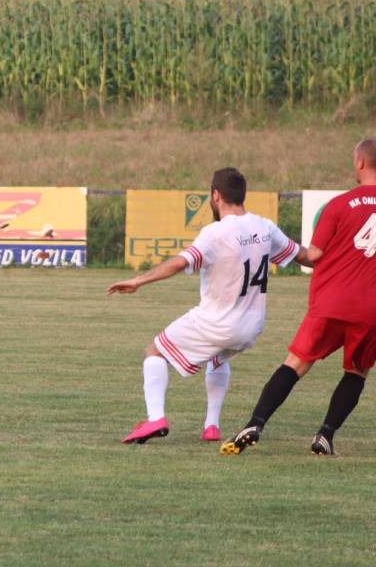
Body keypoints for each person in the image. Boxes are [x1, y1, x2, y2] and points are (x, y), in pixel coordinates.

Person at [108, 168, 309, 444]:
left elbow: (180, 262)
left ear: (216, 196)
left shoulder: (215, 232)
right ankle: (211, 425)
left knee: (155, 351)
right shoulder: (264, 227)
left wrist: (138, 281)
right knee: (217, 358)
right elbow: (306, 256)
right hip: (251, 327)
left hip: (217, 324)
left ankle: (156, 418)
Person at [222, 138, 376, 456]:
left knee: (296, 364)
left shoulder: (339, 205)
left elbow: (314, 255)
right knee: (356, 372)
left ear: (360, 162)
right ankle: (325, 435)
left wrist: (280, 248)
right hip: (371, 310)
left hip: (332, 302)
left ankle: (255, 424)